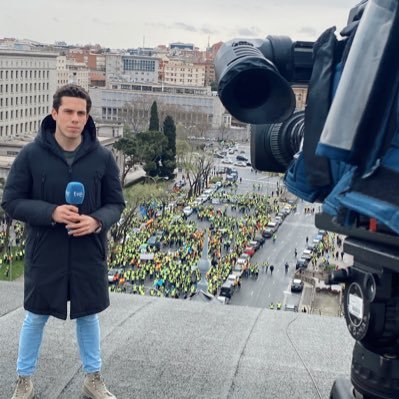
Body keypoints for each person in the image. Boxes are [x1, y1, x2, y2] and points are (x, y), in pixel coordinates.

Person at [2, 84, 125, 399]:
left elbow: (116, 204)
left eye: (81, 113)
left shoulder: (102, 157)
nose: (75, 119)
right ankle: (23, 380)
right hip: (46, 252)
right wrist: (51, 212)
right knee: (35, 316)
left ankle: (93, 378)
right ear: (54, 113)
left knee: (88, 316)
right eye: (68, 111)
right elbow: (12, 201)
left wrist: (97, 220)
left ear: (87, 116)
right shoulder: (31, 155)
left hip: (88, 251)